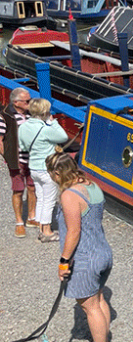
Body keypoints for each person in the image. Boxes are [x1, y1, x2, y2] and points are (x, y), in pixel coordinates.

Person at [47, 152, 113, 342]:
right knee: (99, 299)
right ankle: (102, 340)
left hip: (85, 258)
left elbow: (74, 232)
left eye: (52, 175)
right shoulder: (92, 185)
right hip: (103, 252)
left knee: (89, 306)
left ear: (58, 173)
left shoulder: (69, 195)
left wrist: (64, 261)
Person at [18, 98, 68, 241]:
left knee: (41, 199)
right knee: (49, 201)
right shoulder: (46, 129)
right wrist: (54, 122)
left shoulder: (23, 127)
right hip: (48, 169)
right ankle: (47, 232)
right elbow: (63, 136)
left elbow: (23, 147)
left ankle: (41, 227)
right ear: (45, 112)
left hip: (33, 167)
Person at [0, 88, 37, 237]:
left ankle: (31, 217)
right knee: (18, 189)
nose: (30, 103)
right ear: (16, 102)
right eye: (27, 101)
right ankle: (19, 222)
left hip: (33, 158)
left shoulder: (32, 114)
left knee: (32, 187)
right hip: (17, 159)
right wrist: (7, 158)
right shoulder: (5, 116)